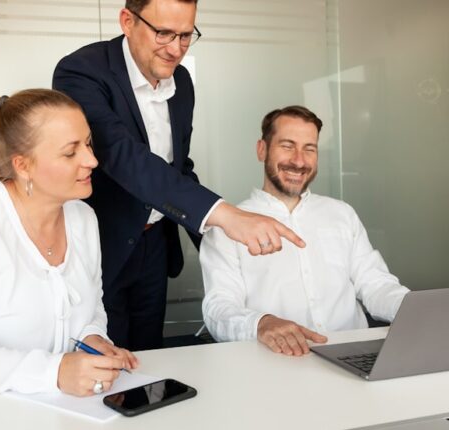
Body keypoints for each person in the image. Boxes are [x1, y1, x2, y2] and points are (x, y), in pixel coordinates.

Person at [53, 0, 304, 351]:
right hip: (103, 243)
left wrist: (222, 238)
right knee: (105, 359)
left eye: (186, 36)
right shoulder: (82, 72)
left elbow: (178, 167)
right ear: (127, 21)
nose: (176, 49)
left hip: (156, 243)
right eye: (164, 33)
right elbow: (123, 157)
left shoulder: (181, 81)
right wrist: (226, 215)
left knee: (150, 356)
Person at [0, 89, 138, 397]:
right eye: (70, 152)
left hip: (70, 408)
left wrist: (92, 340)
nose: (91, 160)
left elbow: (92, 311)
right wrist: (55, 372)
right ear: (23, 166)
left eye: (88, 143)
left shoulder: (83, 218)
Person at [200, 105, 410, 356]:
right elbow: (218, 309)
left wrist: (414, 309)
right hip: (276, 362)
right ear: (262, 149)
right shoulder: (229, 226)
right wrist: (261, 323)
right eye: (287, 146)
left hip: (355, 357)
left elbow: (375, 284)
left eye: (309, 149)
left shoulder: (342, 214)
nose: (299, 161)